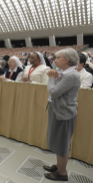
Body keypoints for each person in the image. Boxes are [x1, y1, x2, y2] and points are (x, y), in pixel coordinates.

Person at [44, 48, 81, 182]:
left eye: (58, 57)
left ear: (67, 60)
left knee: (62, 143)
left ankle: (62, 173)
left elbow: (53, 92)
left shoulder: (71, 75)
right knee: (57, 141)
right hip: (58, 110)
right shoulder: (65, 72)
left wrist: (52, 79)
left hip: (64, 113)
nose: (54, 60)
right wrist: (54, 76)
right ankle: (59, 166)